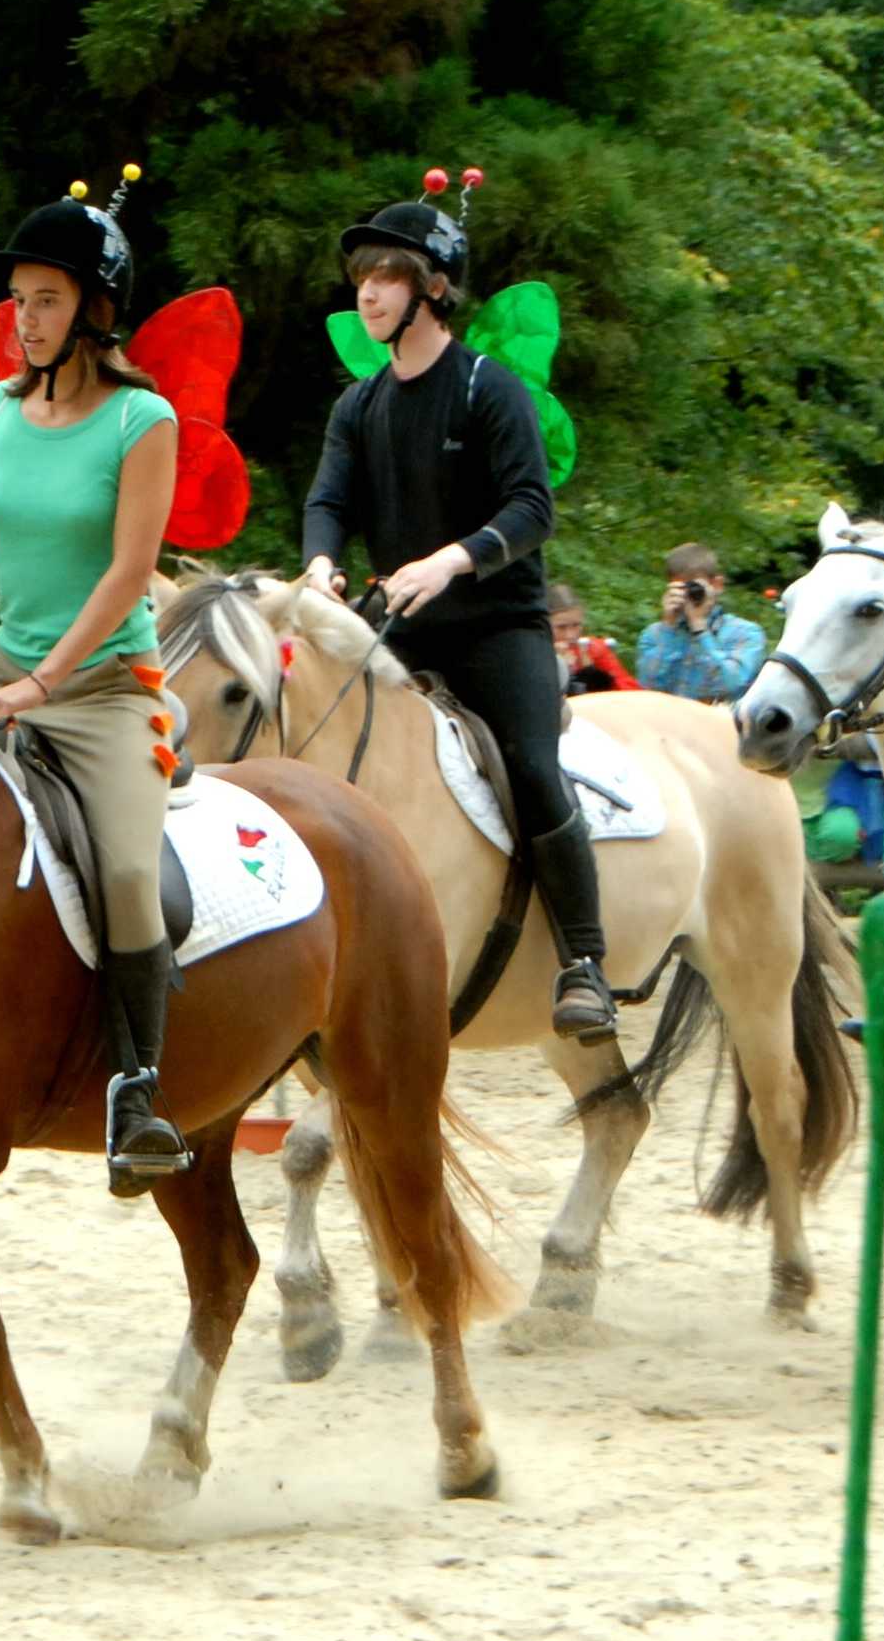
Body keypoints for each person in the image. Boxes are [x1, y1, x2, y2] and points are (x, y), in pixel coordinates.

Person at [0, 178, 189, 1192]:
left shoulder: (143, 420)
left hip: (104, 694)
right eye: (18, 299)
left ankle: (138, 1092)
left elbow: (128, 570)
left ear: (94, 311)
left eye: (46, 300)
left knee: (126, 875)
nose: (24, 319)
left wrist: (48, 682)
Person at [302, 184, 615, 1045]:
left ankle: (584, 962)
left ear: (433, 289)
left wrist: (450, 560)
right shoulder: (357, 406)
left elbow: (532, 508)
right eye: (362, 278)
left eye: (386, 277)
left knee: (533, 766)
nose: (367, 293)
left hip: (496, 629)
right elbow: (327, 502)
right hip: (398, 631)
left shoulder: (489, 388)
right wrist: (321, 565)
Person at [635, 543, 765, 702]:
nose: (688, 594)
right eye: (681, 588)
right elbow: (647, 687)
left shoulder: (745, 633)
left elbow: (730, 685)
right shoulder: (655, 634)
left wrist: (700, 629)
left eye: (694, 587)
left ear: (717, 585)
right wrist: (668, 627)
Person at [549, 587, 634, 695]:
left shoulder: (594, 649)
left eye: (576, 625)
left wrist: (593, 673)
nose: (570, 635)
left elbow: (630, 692)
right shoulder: (535, 653)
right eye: (561, 627)